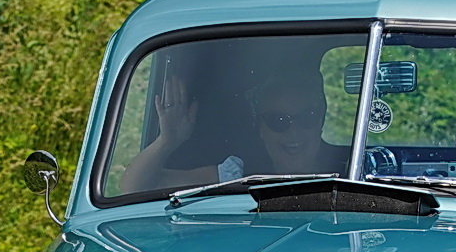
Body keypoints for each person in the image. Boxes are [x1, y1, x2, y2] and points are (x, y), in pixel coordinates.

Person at [117, 67, 345, 194]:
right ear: (260, 128)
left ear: (321, 120)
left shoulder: (351, 173)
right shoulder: (237, 176)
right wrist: (167, 141)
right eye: (278, 121)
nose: (293, 132)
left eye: (307, 117)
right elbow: (134, 188)